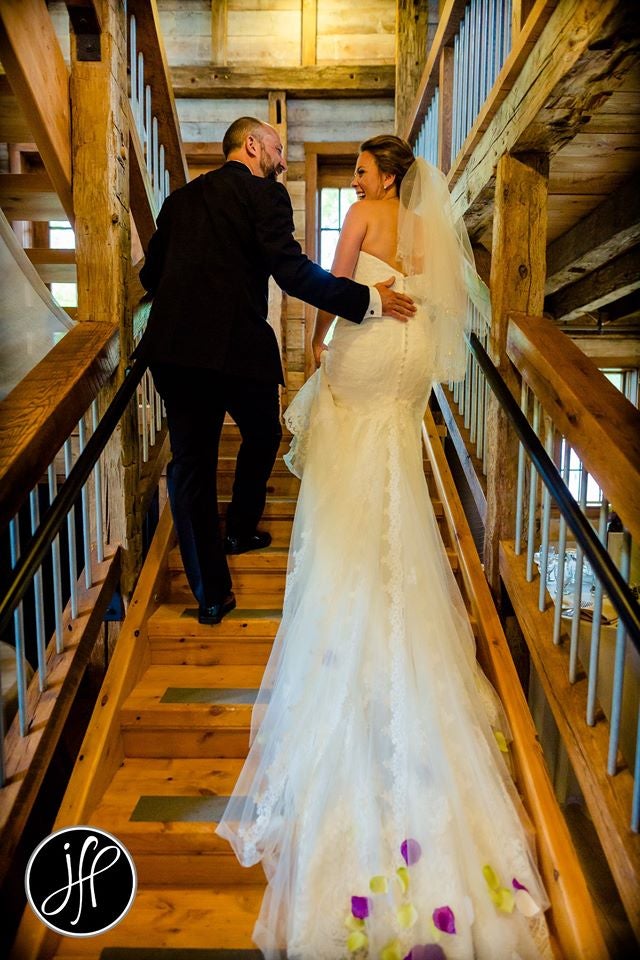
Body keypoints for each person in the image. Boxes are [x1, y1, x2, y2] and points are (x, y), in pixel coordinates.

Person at [216, 136, 552, 959]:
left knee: (338, 421)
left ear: (386, 175)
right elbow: (444, 306)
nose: (357, 181)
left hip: (368, 349)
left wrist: (326, 349)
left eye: (363, 170)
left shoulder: (365, 215)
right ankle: (381, 563)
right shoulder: (431, 230)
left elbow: (334, 292)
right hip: (407, 370)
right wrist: (400, 310)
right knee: (394, 450)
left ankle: (342, 561)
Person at [136, 118, 415, 625]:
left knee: (191, 467)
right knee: (263, 435)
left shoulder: (177, 202)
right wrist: (369, 299)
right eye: (278, 149)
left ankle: (211, 594)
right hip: (239, 351)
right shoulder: (265, 195)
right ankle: (239, 529)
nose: (282, 160)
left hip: (175, 352)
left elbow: (149, 276)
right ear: (251, 145)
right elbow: (292, 272)